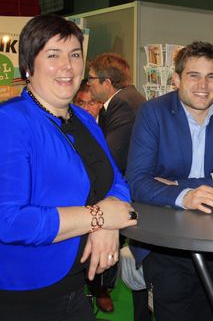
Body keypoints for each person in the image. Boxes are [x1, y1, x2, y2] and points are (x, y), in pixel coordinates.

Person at [0, 14, 138, 321]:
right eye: (53, 55)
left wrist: (107, 224)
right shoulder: (6, 123)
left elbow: (116, 181)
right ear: (28, 66)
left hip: (69, 283)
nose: (68, 66)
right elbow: (10, 221)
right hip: (7, 290)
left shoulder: (85, 120)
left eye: (74, 55)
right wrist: (98, 217)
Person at [126, 41, 213, 321]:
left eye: (211, 76)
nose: (203, 85)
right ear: (176, 79)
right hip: (164, 240)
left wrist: (179, 186)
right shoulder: (153, 113)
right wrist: (186, 197)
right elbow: (136, 180)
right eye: (194, 75)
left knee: (207, 313)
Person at [86, 53, 147, 315]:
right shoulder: (125, 100)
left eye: (91, 79)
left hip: (127, 189)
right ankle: (100, 286)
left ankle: (100, 287)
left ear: (107, 82)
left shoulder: (123, 103)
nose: (88, 84)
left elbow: (111, 155)